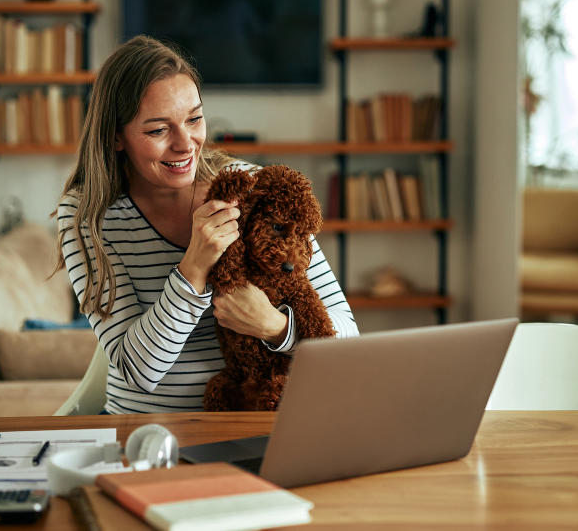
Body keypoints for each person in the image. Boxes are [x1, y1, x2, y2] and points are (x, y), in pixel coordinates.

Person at [54, 36, 358, 414]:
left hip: (259, 421)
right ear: (116, 137)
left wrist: (276, 327)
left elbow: (346, 335)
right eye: (157, 130)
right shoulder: (87, 216)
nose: (186, 144)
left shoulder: (254, 188)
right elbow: (138, 371)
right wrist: (194, 266)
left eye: (194, 119)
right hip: (150, 432)